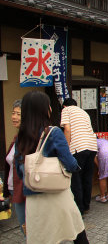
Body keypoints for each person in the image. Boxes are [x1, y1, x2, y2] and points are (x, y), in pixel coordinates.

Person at [15, 91, 88, 244]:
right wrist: (76, 167)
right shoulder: (53, 132)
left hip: (34, 199)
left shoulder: (21, 136)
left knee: (43, 238)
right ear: (45, 109)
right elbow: (69, 162)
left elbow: (19, 170)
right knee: (77, 234)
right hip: (57, 195)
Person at [61, 98, 98, 214]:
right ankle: (86, 206)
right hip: (92, 146)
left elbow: (67, 129)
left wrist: (66, 148)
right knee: (87, 177)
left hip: (78, 147)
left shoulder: (66, 110)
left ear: (64, 106)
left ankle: (79, 209)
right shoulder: (84, 112)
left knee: (76, 178)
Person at [3, 99, 26, 235]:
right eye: (13, 113)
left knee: (28, 230)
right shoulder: (17, 138)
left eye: (18, 114)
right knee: (25, 228)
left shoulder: (28, 138)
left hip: (23, 191)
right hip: (15, 189)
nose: (14, 117)